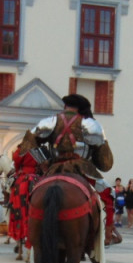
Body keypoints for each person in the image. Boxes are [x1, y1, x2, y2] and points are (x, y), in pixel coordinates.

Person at [20, 93, 119, 246]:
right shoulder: (91, 125)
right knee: (109, 193)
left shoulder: (50, 121)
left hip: (53, 168)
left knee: (33, 192)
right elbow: (105, 163)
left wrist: (44, 161)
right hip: (82, 169)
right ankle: (108, 234)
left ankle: (29, 229)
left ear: (65, 106)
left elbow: (28, 142)